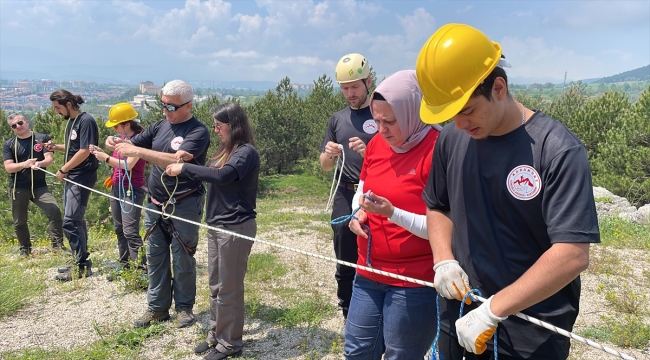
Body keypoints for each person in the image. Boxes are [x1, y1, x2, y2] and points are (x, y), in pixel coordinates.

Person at [416, 24, 600, 359]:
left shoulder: (556, 150)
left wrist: (493, 310)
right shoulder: (453, 139)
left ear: (498, 87)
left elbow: (572, 253)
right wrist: (443, 260)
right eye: (450, 115)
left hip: (530, 333)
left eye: (467, 111)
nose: (459, 124)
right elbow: (438, 205)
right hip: (458, 315)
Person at [345, 70, 440, 359]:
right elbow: (361, 193)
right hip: (368, 269)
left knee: (401, 354)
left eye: (390, 121)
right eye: (377, 120)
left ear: (412, 111)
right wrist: (357, 214)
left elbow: (443, 228)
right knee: (357, 350)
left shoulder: (438, 149)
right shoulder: (376, 144)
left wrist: (393, 213)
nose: (382, 129)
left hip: (413, 280)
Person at [106, 80, 210, 329]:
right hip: (155, 202)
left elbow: (174, 160)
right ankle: (157, 308)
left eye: (171, 107)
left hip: (184, 201)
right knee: (155, 256)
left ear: (188, 106)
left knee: (183, 257)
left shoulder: (198, 132)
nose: (166, 111)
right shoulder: (159, 125)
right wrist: (115, 141)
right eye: (163, 105)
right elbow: (134, 143)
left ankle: (184, 308)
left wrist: (140, 153)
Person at [166, 102, 259, 360]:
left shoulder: (245, 152)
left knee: (229, 287)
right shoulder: (225, 150)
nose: (216, 130)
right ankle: (216, 334)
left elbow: (222, 176)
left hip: (235, 227)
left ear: (234, 126)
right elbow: (210, 171)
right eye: (215, 126)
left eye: (219, 126)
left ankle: (230, 344)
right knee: (216, 284)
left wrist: (185, 168)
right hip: (217, 225)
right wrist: (191, 159)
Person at [320, 53, 378, 323]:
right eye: (345, 88)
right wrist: (330, 154)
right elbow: (324, 166)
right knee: (343, 246)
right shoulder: (337, 119)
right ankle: (347, 309)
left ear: (368, 82)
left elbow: (394, 159)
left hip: (374, 191)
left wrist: (369, 153)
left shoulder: (381, 113)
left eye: (355, 86)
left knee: (375, 247)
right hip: (345, 191)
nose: (350, 93)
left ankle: (376, 306)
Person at [47, 90, 99, 281]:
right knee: (75, 219)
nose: (57, 112)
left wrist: (63, 169)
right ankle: (81, 260)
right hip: (73, 175)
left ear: (68, 104)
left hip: (82, 175)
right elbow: (74, 147)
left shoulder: (86, 121)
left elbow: (84, 151)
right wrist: (56, 147)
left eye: (57, 107)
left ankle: (81, 266)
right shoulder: (71, 122)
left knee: (70, 221)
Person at [89, 103, 147, 275]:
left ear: (126, 124)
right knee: (119, 229)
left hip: (132, 189)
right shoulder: (122, 140)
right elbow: (117, 163)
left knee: (130, 231)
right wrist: (101, 152)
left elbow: (129, 165)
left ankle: (142, 270)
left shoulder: (138, 142)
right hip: (117, 187)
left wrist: (105, 158)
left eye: (116, 125)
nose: (114, 128)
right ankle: (125, 266)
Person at [3, 113, 64, 256]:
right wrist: (25, 164)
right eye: (14, 125)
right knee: (19, 221)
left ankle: (58, 247)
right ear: (12, 128)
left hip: (39, 186)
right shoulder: (9, 144)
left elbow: (49, 159)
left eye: (20, 122)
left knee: (54, 211)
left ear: (26, 121)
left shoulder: (42, 138)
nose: (18, 126)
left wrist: (39, 163)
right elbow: (8, 167)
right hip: (18, 187)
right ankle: (25, 249)